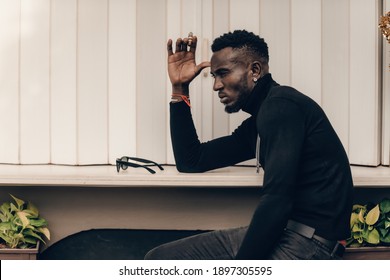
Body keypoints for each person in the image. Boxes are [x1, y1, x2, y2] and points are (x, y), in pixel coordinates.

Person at [144, 30, 353, 260]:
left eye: (223, 73)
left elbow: (277, 201)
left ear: (254, 70)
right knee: (161, 258)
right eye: (214, 76)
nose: (216, 85)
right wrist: (179, 88)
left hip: (310, 245)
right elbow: (192, 160)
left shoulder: (281, 106)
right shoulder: (262, 119)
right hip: (288, 234)